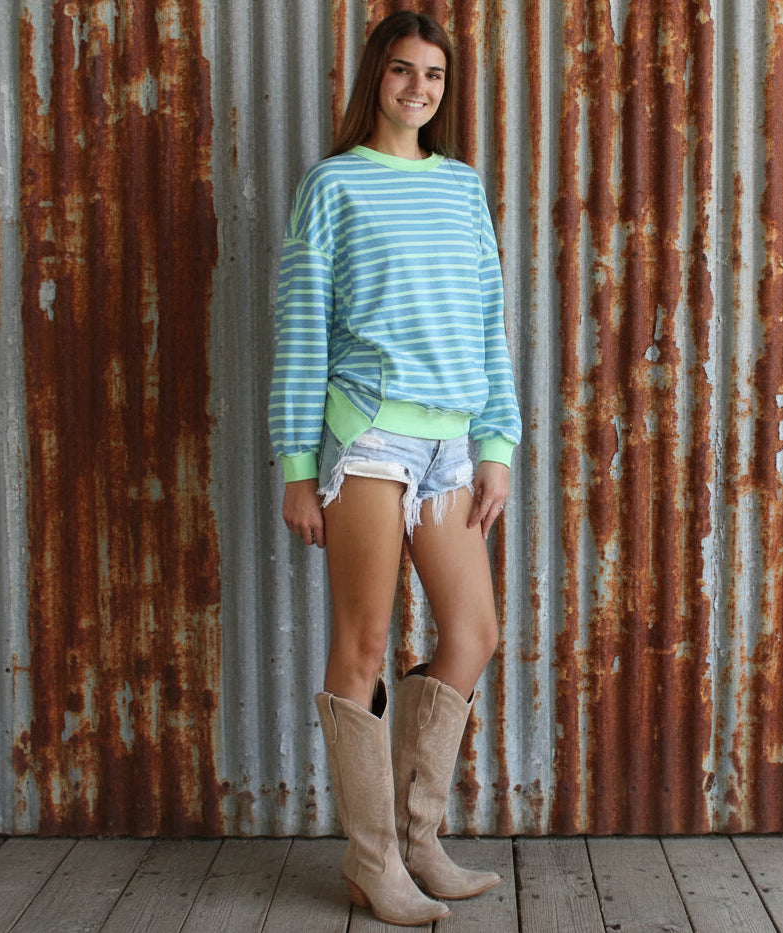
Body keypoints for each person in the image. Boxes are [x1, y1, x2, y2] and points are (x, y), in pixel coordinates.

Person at [269, 10, 521, 926]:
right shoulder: (330, 186)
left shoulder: (460, 188)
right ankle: (373, 862)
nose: (419, 89)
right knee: (363, 641)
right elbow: (301, 335)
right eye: (403, 71)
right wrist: (300, 466)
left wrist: (496, 446)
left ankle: (417, 839)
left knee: (472, 631)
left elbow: (487, 326)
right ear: (374, 76)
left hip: (452, 442)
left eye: (435, 77)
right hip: (367, 437)